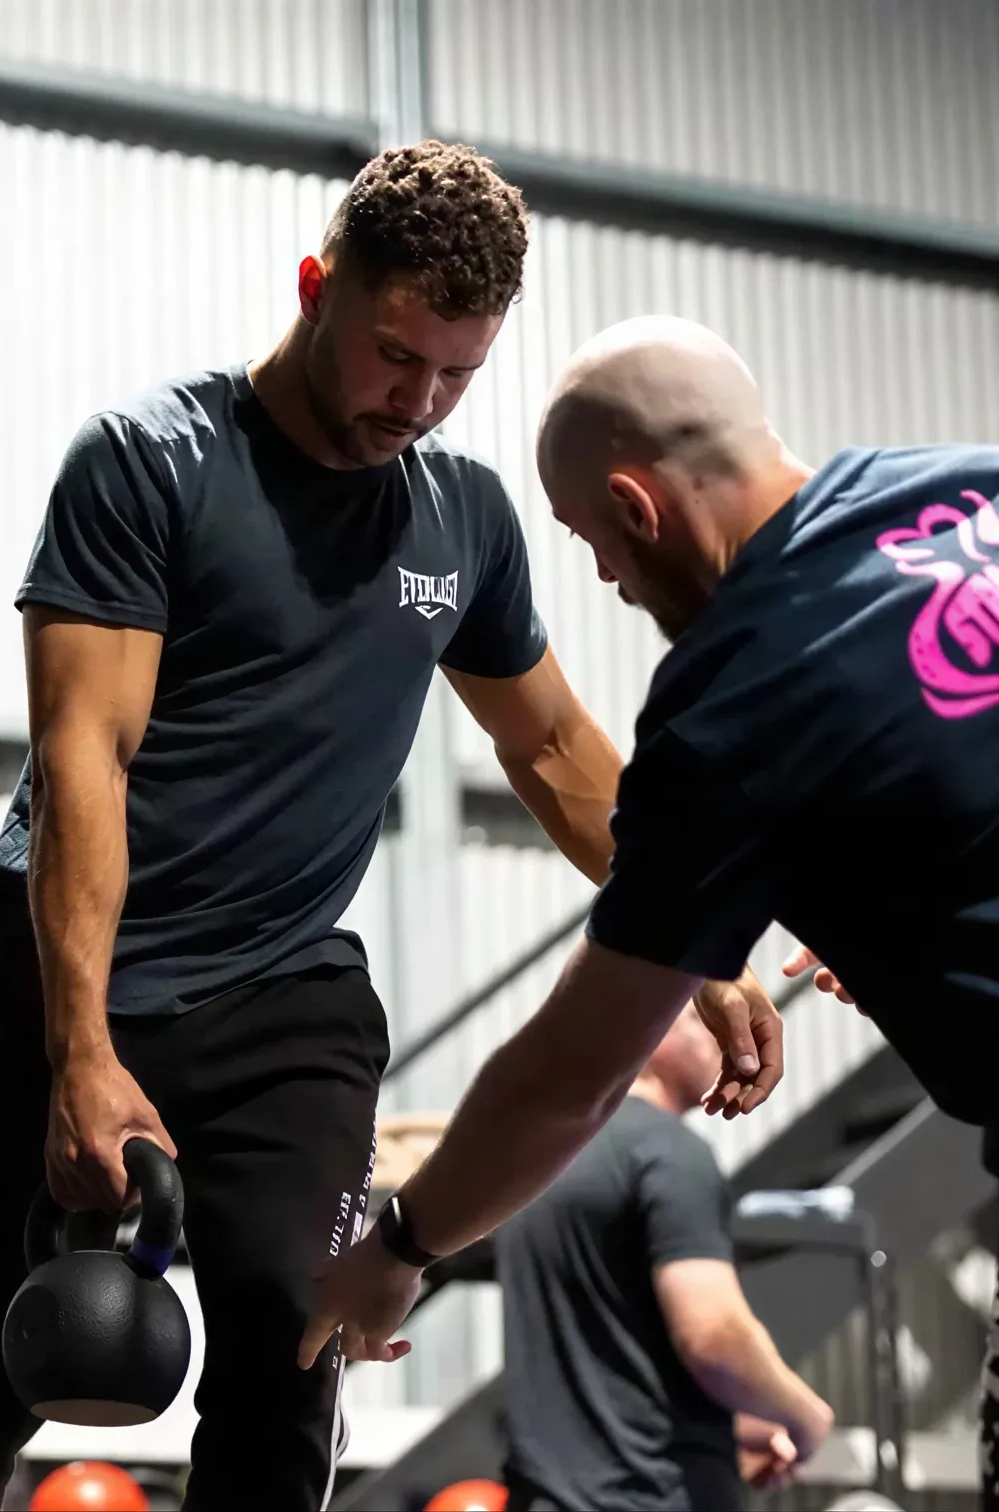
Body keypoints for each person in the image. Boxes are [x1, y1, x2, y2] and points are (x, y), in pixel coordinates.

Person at [0, 153, 776, 1512]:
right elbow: (86, 763)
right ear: (320, 289)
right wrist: (79, 1051)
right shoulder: (149, 465)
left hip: (284, 1001)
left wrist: (696, 934)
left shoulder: (459, 519)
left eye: (455, 376)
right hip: (73, 976)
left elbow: (548, 746)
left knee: (292, 1355)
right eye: (393, 355)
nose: (413, 404)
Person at [300, 313, 999, 1497]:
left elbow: (566, 1073)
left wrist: (402, 1243)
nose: (607, 582)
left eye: (590, 544)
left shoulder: (734, 700)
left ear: (636, 508)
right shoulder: (963, 485)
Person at [496, 1004, 832, 1512]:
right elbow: (713, 1336)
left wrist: (736, 1424)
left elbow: (607, 1359)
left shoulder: (537, 1157)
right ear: (647, 1031)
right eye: (700, 1020)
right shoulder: (669, 1151)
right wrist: (804, 1417)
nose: (721, 1039)